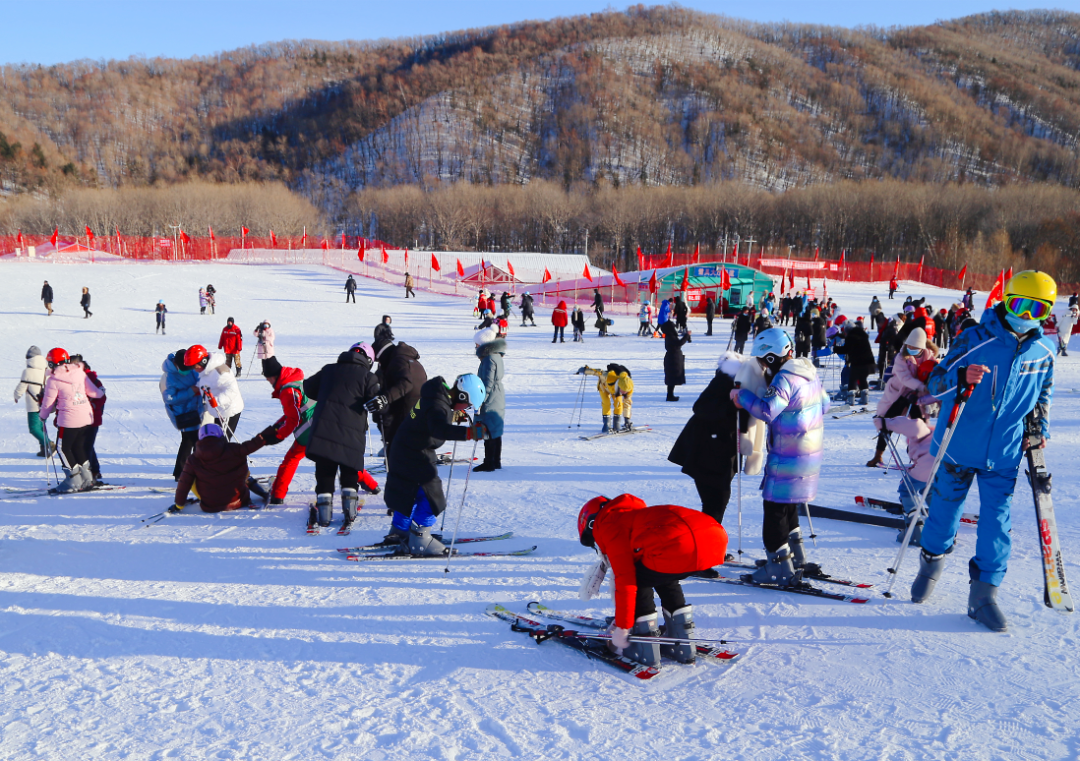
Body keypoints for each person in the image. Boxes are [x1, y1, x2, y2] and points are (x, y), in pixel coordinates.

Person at [911, 271, 1057, 632]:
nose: (1025, 314)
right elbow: (936, 382)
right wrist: (960, 377)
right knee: (943, 515)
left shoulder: (1043, 352)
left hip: (1004, 454)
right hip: (959, 447)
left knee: (996, 525)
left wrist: (1038, 430)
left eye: (1036, 308)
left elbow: (1042, 397)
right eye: (1019, 303)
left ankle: (984, 596)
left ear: (1047, 312)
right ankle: (931, 564)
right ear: (1006, 300)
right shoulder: (974, 337)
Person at [576, 493, 728, 667]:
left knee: (637, 580)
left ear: (592, 524)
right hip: (714, 539)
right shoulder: (635, 517)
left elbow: (625, 581)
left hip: (682, 542)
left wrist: (623, 628)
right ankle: (681, 637)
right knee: (663, 574)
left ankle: (644, 644)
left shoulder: (609, 525)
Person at [730, 328, 829, 586]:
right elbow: (825, 404)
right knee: (788, 504)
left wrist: (742, 396)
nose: (762, 366)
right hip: (809, 454)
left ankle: (778, 566)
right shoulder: (808, 370)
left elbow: (767, 410)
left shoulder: (784, 379)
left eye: (763, 361)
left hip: (788, 455)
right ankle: (795, 556)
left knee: (773, 508)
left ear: (773, 357)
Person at [382, 374, 490, 555]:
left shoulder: (436, 397)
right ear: (462, 396)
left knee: (409, 492)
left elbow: (435, 418)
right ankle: (419, 538)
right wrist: (469, 433)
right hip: (413, 454)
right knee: (432, 496)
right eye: (468, 405)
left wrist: (454, 416)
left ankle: (399, 532)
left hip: (404, 450)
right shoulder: (438, 405)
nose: (466, 410)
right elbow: (439, 428)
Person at [260, 356, 381, 505]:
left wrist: (279, 435)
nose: (269, 383)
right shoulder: (295, 380)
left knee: (291, 459)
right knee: (345, 458)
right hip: (325, 423)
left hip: (310, 431)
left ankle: (277, 495)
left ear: (273, 376)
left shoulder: (287, 391)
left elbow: (294, 419)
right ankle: (372, 485)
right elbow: (293, 412)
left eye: (268, 380)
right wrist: (277, 426)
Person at [668, 351, 766, 524]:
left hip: (725, 448)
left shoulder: (753, 382)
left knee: (717, 502)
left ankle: (710, 545)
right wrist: (731, 405)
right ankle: (709, 546)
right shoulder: (727, 379)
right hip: (706, 448)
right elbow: (700, 407)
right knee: (715, 503)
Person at [302, 343, 381, 530]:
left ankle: (325, 514)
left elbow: (308, 388)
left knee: (325, 471)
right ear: (369, 361)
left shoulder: (329, 370)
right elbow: (376, 399)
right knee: (349, 469)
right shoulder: (368, 377)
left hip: (323, 429)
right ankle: (349, 510)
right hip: (351, 432)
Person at [38, 348, 105, 493]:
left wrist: (42, 416)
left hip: (69, 420)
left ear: (52, 363)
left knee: (63, 448)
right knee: (78, 448)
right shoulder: (79, 373)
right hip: (86, 418)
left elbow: (48, 403)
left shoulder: (54, 380)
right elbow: (94, 392)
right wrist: (101, 392)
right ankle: (87, 479)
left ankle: (73, 480)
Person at [172, 424, 269, 513]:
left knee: (189, 478)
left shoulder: (193, 459)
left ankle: (208, 495)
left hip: (210, 505)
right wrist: (272, 431)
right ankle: (259, 489)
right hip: (238, 501)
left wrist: (178, 505)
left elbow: (184, 484)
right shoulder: (234, 449)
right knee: (245, 472)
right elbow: (253, 444)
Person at [364, 335, 428, 458]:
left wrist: (385, 398)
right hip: (418, 404)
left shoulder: (398, 360)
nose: (380, 364)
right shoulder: (407, 358)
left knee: (395, 434)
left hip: (407, 406)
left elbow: (406, 383)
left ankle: (398, 460)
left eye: (379, 360)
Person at [185, 345, 245, 437]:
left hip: (228, 410)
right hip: (217, 410)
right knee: (216, 440)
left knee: (222, 441)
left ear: (202, 362)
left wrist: (216, 400)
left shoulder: (220, 372)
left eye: (194, 366)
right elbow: (206, 382)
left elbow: (232, 391)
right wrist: (196, 389)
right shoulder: (206, 370)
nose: (194, 369)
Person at [161, 348, 202, 480]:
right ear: (177, 365)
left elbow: (199, 379)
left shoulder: (191, 368)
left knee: (191, 441)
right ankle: (187, 472)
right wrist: (190, 391)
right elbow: (169, 398)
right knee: (192, 440)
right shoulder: (169, 376)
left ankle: (183, 472)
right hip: (183, 413)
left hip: (196, 409)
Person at [473, 327, 506, 472]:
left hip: (491, 398)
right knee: (495, 429)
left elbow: (487, 383)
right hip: (497, 396)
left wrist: (479, 401)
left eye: (477, 344)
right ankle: (496, 461)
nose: (475, 347)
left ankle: (489, 462)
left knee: (488, 430)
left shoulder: (489, 359)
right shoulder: (496, 355)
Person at [73, 355, 107, 485]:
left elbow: (102, 396)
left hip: (91, 418)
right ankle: (94, 471)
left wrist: (92, 406)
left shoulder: (90, 378)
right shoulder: (77, 378)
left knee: (85, 446)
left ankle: (90, 472)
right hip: (82, 417)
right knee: (86, 445)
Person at [14, 346, 51, 456]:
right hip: (45, 404)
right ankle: (45, 450)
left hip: (33, 404)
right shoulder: (47, 370)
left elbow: (21, 386)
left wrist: (16, 395)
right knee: (41, 427)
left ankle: (49, 444)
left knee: (34, 429)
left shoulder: (27, 371)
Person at [578, 363, 634, 433]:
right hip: (604, 387)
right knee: (606, 403)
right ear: (619, 386)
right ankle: (607, 424)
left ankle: (617, 424)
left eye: (626, 392)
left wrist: (627, 419)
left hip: (615, 391)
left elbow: (627, 403)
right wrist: (586, 370)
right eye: (623, 391)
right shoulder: (609, 376)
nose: (624, 393)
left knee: (619, 404)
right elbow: (598, 372)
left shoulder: (629, 388)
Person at [835, 318, 877, 406]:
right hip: (869, 362)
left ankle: (851, 400)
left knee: (852, 379)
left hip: (858, 362)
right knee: (862, 378)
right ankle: (864, 398)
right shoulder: (863, 335)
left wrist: (835, 348)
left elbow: (846, 349)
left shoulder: (851, 337)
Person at [662, 322, 691, 401]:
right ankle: (670, 395)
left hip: (673, 358)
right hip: (673, 359)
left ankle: (670, 394)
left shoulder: (670, 335)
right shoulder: (670, 336)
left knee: (672, 378)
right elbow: (678, 343)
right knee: (672, 377)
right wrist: (686, 336)